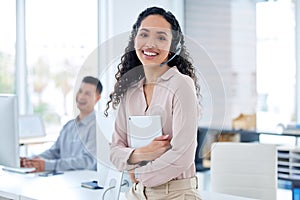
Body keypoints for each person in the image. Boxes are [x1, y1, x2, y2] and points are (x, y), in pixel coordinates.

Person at [105, 6, 201, 199]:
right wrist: (142, 153)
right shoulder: (130, 91)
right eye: (144, 35)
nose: (150, 44)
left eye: (161, 37)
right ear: (135, 40)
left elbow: (183, 155)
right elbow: (114, 152)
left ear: (174, 47)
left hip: (175, 193)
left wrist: (138, 172)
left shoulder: (181, 84)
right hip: (137, 193)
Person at [21, 76, 102, 172]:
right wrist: (32, 160)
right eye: (80, 91)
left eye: (87, 93)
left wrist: (48, 165)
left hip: (83, 183)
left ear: (97, 98)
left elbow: (88, 161)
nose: (81, 96)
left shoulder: (98, 126)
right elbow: (55, 152)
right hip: (64, 180)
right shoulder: (69, 126)